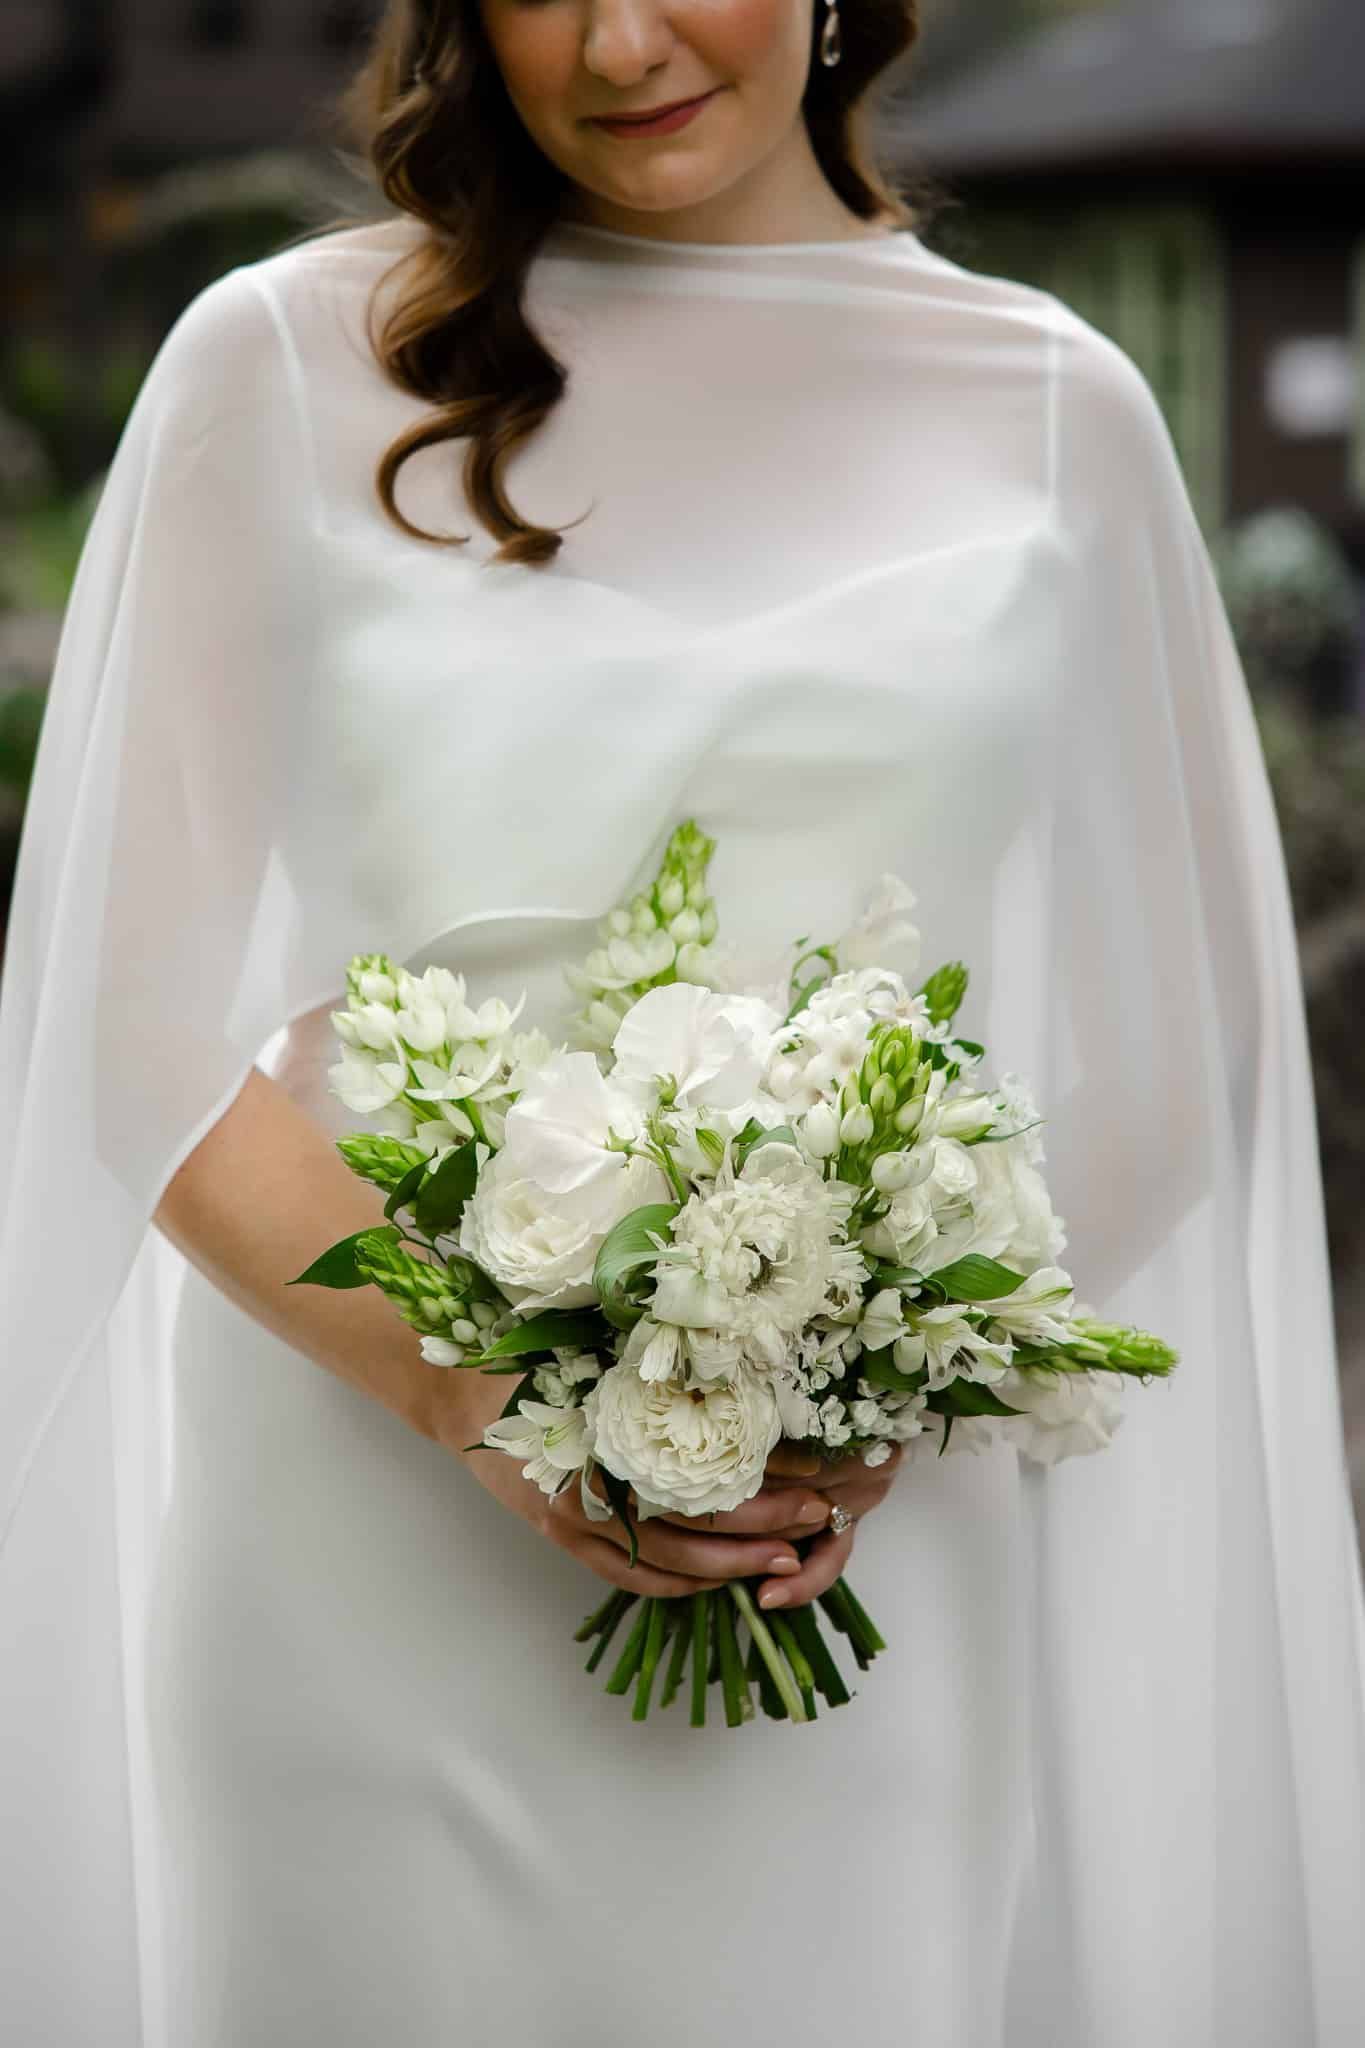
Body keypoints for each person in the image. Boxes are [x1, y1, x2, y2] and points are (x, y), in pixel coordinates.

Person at [3, 0, 1364, 2041]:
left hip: (841, 1550)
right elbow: (122, 1015)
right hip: (358, 1543)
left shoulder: (1056, 408)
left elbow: (1181, 1043)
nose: (620, 41)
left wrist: (860, 1376)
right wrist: (483, 1398)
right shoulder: (280, 359)